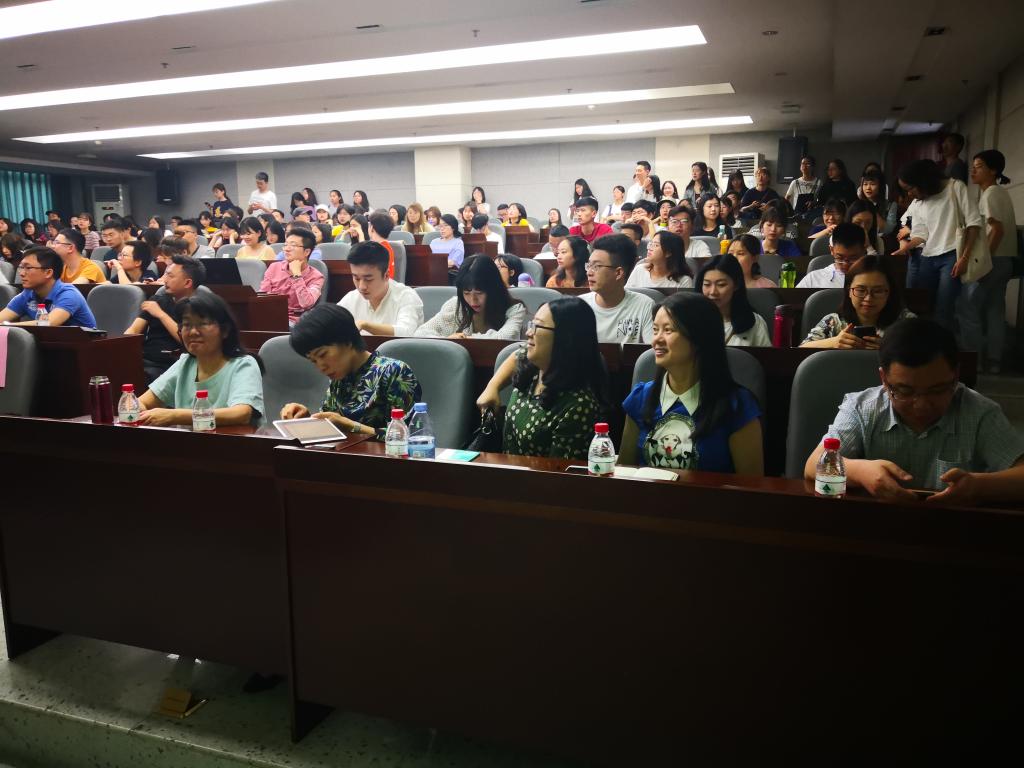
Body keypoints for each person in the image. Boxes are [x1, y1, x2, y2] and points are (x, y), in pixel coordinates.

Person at [804, 317, 1024, 502]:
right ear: (884, 379)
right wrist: (860, 472)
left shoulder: (979, 412)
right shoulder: (862, 408)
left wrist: (977, 486)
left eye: (937, 390)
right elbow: (813, 465)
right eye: (905, 391)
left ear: (956, 376)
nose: (921, 405)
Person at [620, 291, 763, 473]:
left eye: (668, 330)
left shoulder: (737, 405)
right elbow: (624, 472)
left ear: (699, 338)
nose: (656, 339)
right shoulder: (640, 397)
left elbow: (751, 484)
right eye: (655, 330)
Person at [280, 304, 420, 437]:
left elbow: (406, 436)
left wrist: (349, 426)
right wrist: (306, 419)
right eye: (314, 361)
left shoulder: (394, 371)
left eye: (322, 354)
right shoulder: (339, 377)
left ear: (347, 340)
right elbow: (331, 424)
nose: (321, 367)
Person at [496, 297, 608, 459]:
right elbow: (517, 354)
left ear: (564, 337)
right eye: (531, 324)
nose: (528, 332)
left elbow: (557, 471)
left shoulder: (578, 405)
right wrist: (492, 388)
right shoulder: (533, 368)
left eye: (537, 326)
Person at [137, 292, 264, 427]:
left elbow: (241, 413)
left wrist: (175, 416)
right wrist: (137, 409)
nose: (193, 332)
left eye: (202, 323)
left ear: (225, 330)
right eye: (187, 324)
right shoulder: (185, 363)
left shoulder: (244, 364)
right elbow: (143, 402)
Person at [893, 158, 981, 329]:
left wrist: (964, 258)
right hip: (927, 257)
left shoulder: (955, 187)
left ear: (922, 181)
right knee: (923, 306)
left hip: (952, 256)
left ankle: (943, 343)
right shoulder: (919, 201)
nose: (909, 194)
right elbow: (921, 235)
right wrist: (905, 248)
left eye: (910, 188)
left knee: (944, 308)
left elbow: (974, 224)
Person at [961, 149, 1019, 373]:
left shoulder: (991, 194)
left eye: (979, 166)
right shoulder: (1000, 193)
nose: (973, 171)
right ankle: (994, 361)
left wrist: (985, 261)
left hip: (992, 261)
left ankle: (972, 361)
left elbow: (997, 230)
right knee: (995, 311)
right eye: (973, 166)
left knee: (968, 308)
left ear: (993, 171)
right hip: (1005, 261)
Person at [801, 255, 915, 349]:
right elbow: (803, 348)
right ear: (849, 291)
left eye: (878, 291)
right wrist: (834, 342)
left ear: (889, 292)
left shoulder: (907, 322)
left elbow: (925, 353)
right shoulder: (833, 321)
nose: (868, 298)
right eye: (861, 290)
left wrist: (890, 348)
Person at [125, 254, 205, 382]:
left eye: (171, 276)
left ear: (187, 283)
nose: (165, 280)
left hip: (174, 364)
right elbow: (133, 330)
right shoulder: (157, 301)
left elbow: (186, 339)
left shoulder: (198, 307)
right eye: (165, 274)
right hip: (145, 359)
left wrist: (161, 314)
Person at [415, 255, 526, 339]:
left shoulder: (515, 309)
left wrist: (464, 340)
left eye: (479, 293)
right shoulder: (455, 305)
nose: (473, 301)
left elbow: (504, 338)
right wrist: (447, 340)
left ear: (493, 288)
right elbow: (421, 333)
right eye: (466, 293)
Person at [579, 234, 654, 344]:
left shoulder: (644, 305)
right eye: (589, 265)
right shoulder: (580, 306)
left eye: (596, 266)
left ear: (618, 273)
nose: (589, 273)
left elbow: (652, 351)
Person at [338, 241, 424, 336]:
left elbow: (405, 333)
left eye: (368, 279)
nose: (361, 286)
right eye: (356, 278)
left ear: (386, 275)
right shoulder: (351, 298)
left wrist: (365, 325)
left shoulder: (406, 296)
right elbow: (331, 322)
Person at [0, 246, 97, 327]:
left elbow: (49, 323)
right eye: (21, 267)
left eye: (28, 268)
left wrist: (7, 325)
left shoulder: (69, 294)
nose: (21, 273)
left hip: (82, 343)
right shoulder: (27, 294)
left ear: (48, 273)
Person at [698, 254, 771, 347]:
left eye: (721, 285)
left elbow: (765, 355)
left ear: (736, 285)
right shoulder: (691, 320)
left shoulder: (754, 322)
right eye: (707, 284)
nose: (713, 292)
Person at [259, 229, 324, 326]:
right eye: (285, 245)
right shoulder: (274, 267)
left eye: (293, 245)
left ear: (306, 252)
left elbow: (307, 303)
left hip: (295, 322)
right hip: (270, 316)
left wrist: (297, 275)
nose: (287, 249)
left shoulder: (316, 277)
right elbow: (262, 296)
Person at [798, 222, 865, 289]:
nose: (845, 264)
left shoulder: (870, 279)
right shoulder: (813, 279)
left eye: (853, 258)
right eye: (840, 258)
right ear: (832, 250)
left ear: (863, 252)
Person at [626, 230, 694, 289]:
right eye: (651, 244)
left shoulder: (684, 281)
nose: (649, 248)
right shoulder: (640, 270)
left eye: (656, 245)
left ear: (668, 253)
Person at [859, 168, 898, 235]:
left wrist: (872, 209)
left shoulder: (891, 205)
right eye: (865, 184)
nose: (868, 188)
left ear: (880, 186)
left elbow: (888, 229)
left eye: (872, 184)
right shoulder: (858, 204)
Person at [430, 213, 465, 281]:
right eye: (440, 226)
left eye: (445, 225)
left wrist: (435, 264)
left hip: (450, 275)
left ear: (453, 227)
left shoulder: (458, 243)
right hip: (432, 273)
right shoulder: (434, 242)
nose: (442, 229)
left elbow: (452, 263)